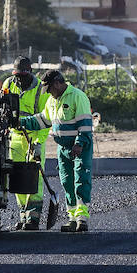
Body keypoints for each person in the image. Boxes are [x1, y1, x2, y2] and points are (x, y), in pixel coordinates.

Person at [21, 69, 94, 232]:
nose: (49, 93)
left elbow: (85, 125)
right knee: (67, 182)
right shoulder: (52, 101)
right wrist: (21, 122)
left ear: (57, 84)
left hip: (80, 148)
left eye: (49, 89)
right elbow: (42, 120)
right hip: (64, 149)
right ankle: (72, 218)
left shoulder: (77, 96)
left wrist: (79, 143)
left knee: (81, 181)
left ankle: (82, 219)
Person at [0, 57, 51, 230]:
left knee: (34, 178)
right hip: (15, 137)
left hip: (34, 137)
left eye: (23, 75)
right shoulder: (8, 83)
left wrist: (38, 143)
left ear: (30, 72)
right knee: (18, 176)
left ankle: (33, 218)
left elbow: (46, 119)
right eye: (17, 75)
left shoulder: (40, 89)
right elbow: (2, 109)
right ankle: (24, 216)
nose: (19, 79)